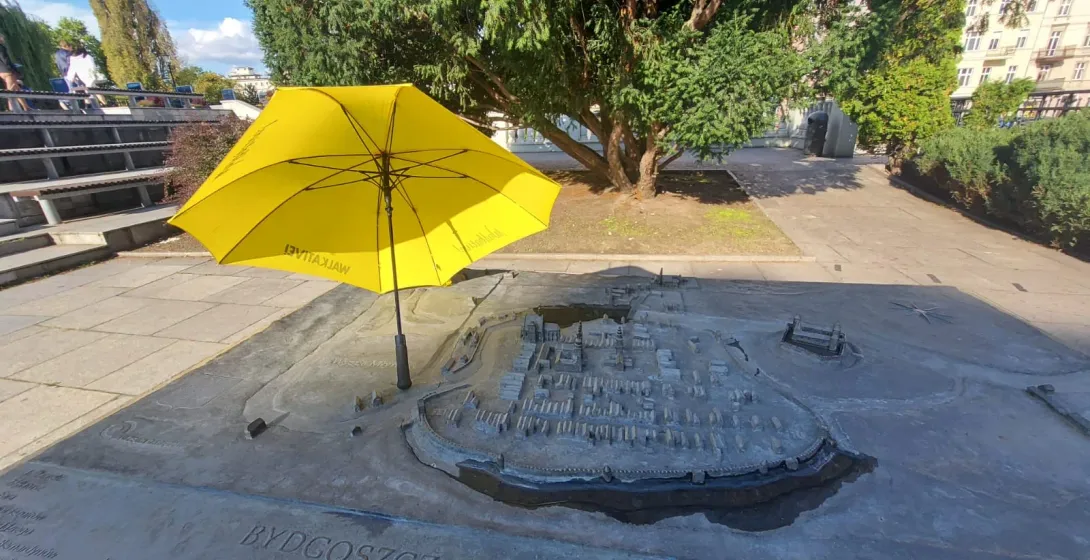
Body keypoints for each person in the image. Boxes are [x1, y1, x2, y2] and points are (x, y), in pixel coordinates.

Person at [0, 32, 31, 112]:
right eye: (2, 37)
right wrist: (13, 70)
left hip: (1, 72)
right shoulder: (1, 47)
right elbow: (6, 59)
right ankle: (10, 109)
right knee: (11, 90)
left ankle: (26, 107)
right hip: (7, 71)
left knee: (17, 89)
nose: (3, 39)